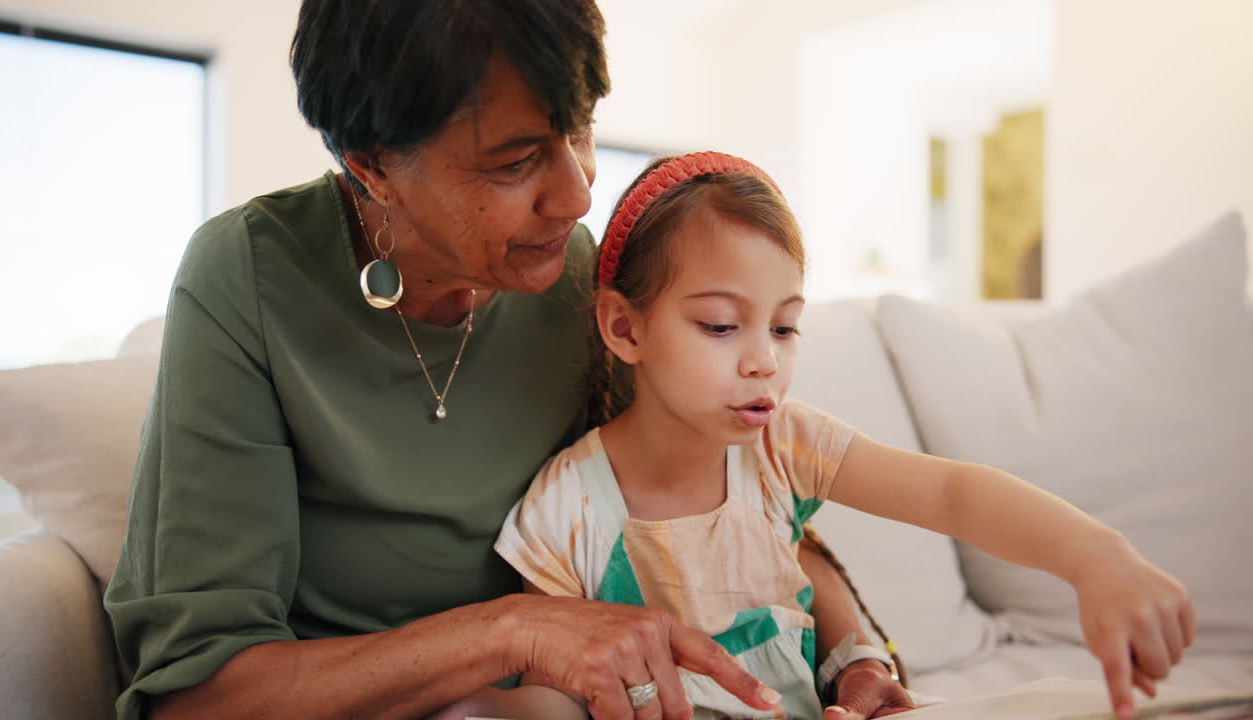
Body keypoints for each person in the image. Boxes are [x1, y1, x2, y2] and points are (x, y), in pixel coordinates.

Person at [102, 3, 911, 720]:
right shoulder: (245, 280)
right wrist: (511, 629)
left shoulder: (579, 282)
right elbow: (196, 699)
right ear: (373, 164)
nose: (579, 192)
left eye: (582, 128)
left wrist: (856, 658)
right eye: (517, 160)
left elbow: (729, 499)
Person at [437, 152, 1195, 720]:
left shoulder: (783, 449)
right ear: (625, 327)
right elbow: (547, 693)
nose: (764, 359)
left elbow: (950, 492)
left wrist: (1096, 557)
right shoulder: (566, 505)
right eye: (722, 326)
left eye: (786, 325)